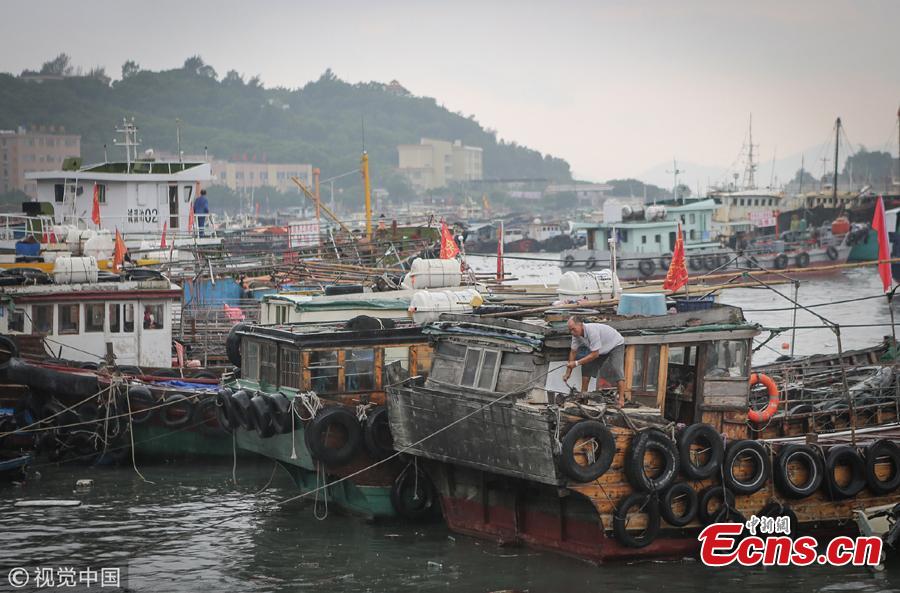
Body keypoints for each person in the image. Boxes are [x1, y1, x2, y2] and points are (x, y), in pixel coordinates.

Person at [563, 315, 626, 405]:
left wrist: (576, 363)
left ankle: (621, 399)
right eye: (570, 330)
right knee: (587, 367)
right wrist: (568, 373)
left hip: (615, 344)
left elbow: (595, 354)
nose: (572, 332)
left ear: (581, 325)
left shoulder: (592, 331)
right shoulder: (576, 336)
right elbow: (573, 352)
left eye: (573, 329)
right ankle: (583, 397)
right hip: (600, 348)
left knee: (616, 368)